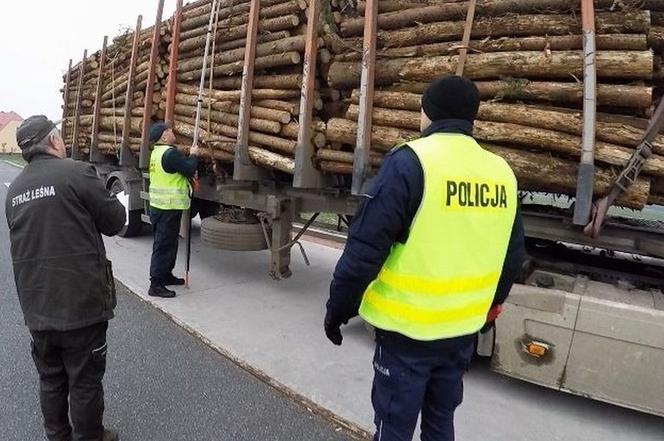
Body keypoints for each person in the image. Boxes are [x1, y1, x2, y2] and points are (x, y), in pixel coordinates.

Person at [324, 76, 525, 441]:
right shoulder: (501, 173)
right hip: (460, 334)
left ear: (427, 113)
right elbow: (513, 258)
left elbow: (364, 251)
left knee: (393, 428)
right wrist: (487, 311)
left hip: (407, 336)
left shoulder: (411, 162)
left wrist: (338, 309)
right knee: (439, 422)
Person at [6, 115, 126, 441]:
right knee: (85, 380)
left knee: (51, 378)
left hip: (37, 308)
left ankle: (57, 436)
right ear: (55, 141)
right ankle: (90, 436)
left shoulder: (14, 190)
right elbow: (116, 221)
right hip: (81, 305)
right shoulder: (76, 172)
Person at [147, 122, 200, 298]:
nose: (172, 132)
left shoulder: (157, 152)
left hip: (161, 206)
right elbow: (189, 168)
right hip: (167, 207)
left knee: (169, 244)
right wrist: (193, 155)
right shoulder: (169, 154)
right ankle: (156, 284)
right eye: (169, 130)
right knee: (163, 245)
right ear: (163, 136)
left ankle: (166, 275)